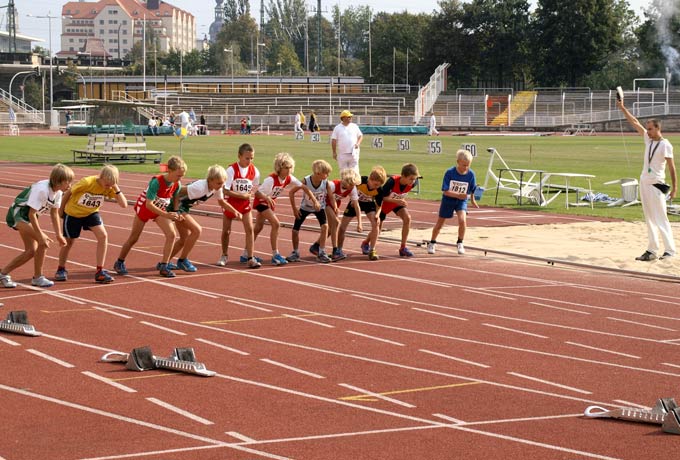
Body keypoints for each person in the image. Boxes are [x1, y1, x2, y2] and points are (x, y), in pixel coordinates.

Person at [618, 98, 677, 260]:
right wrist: (622, 108)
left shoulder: (666, 145)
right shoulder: (648, 139)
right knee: (649, 218)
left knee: (661, 217)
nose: (648, 131)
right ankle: (652, 250)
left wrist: (675, 188)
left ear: (658, 128)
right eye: (648, 129)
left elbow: (672, 167)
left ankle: (670, 250)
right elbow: (635, 122)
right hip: (644, 182)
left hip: (657, 185)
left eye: (650, 129)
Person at [1, 164, 74, 288]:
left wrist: (59, 235)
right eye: (68, 182)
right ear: (58, 181)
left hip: (29, 217)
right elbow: (31, 214)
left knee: (31, 251)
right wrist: (40, 234)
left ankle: (3, 274)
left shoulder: (58, 192)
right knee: (43, 242)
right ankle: (38, 277)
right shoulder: (42, 189)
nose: (70, 186)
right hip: (18, 214)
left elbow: (54, 213)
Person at [113, 156, 186, 278]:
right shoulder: (156, 182)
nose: (180, 178)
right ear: (170, 171)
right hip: (145, 209)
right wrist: (166, 214)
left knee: (171, 234)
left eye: (182, 176)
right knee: (134, 238)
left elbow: (176, 197)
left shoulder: (176, 184)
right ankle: (119, 262)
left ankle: (164, 265)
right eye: (178, 175)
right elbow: (149, 204)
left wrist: (176, 212)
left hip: (160, 210)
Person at [55, 165, 127, 284]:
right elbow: (68, 193)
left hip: (91, 213)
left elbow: (123, 204)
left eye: (111, 184)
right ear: (101, 177)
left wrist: (116, 188)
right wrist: (61, 210)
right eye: (107, 183)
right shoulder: (87, 182)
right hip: (73, 214)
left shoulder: (110, 187)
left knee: (103, 236)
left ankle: (100, 271)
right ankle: (61, 269)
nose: (108, 186)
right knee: (68, 242)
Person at [168, 165, 241, 272]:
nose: (221, 186)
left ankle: (164, 262)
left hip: (184, 208)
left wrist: (234, 211)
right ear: (210, 180)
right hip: (176, 206)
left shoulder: (216, 187)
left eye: (223, 183)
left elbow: (221, 202)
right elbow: (176, 191)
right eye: (219, 183)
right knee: (197, 230)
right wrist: (175, 210)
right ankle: (182, 260)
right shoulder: (199, 187)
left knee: (184, 239)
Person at [253, 153, 315, 265]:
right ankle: (275, 255)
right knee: (276, 224)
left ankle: (246, 254)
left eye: (290, 167)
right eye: (286, 168)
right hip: (262, 202)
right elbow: (257, 193)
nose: (288, 170)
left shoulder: (289, 178)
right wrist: (266, 197)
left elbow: (303, 186)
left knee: (258, 228)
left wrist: (313, 199)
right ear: (279, 168)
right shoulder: (270, 180)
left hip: (269, 203)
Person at [217, 143, 261, 269]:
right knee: (226, 231)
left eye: (252, 158)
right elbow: (225, 191)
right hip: (230, 203)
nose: (249, 161)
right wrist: (242, 196)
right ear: (239, 156)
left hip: (245, 205)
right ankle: (224, 255)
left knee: (249, 229)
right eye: (247, 158)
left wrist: (254, 195)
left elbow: (254, 188)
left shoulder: (255, 171)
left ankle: (250, 257)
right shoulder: (231, 170)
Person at [427, 149, 479, 256]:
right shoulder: (450, 172)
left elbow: (472, 189)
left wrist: (473, 200)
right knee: (440, 223)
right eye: (464, 165)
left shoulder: (471, 174)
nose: (466, 167)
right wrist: (458, 195)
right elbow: (445, 191)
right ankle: (432, 242)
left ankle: (460, 242)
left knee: (462, 220)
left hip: (461, 201)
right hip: (448, 200)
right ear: (458, 162)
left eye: (468, 165)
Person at [337, 165, 387, 261]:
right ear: (370, 179)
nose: (376, 187)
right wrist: (351, 199)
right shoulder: (360, 181)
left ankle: (372, 249)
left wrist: (377, 215)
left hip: (369, 204)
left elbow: (379, 205)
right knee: (342, 226)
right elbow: (349, 188)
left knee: (376, 224)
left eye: (378, 185)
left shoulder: (379, 190)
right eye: (375, 184)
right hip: (355, 203)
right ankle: (338, 249)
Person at [287, 160, 330, 263]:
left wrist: (334, 206)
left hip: (319, 207)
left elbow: (331, 195)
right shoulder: (306, 181)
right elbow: (291, 192)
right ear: (318, 173)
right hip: (305, 207)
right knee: (295, 230)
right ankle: (295, 252)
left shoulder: (325, 182)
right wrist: (294, 209)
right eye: (326, 173)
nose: (328, 175)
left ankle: (321, 252)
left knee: (325, 226)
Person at [378, 163, 421, 257]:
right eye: (411, 179)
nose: (413, 181)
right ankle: (366, 243)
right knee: (377, 230)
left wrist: (399, 200)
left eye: (414, 179)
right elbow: (381, 197)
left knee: (407, 218)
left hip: (397, 203)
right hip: (384, 204)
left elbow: (402, 192)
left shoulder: (413, 183)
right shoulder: (391, 182)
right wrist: (396, 200)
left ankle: (403, 247)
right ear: (403, 176)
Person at [320, 168, 362, 261]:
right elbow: (323, 194)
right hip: (324, 203)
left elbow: (356, 206)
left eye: (353, 185)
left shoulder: (352, 188)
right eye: (350, 184)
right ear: (344, 181)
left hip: (334, 205)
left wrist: (359, 223)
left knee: (331, 229)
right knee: (336, 222)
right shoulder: (333, 185)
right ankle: (335, 251)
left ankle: (316, 246)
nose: (352, 187)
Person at [331, 110, 363, 175]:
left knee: (355, 173)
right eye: (349, 117)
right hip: (342, 154)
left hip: (353, 153)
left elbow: (360, 136)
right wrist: (334, 152)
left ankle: (355, 185)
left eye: (350, 117)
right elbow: (334, 140)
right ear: (343, 118)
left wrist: (358, 143)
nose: (350, 118)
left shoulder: (354, 126)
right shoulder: (337, 128)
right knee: (344, 173)